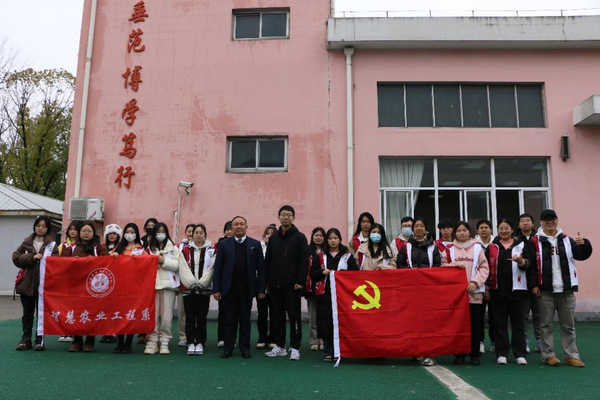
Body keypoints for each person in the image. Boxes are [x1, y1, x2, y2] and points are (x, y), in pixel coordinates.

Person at [527, 209, 592, 367]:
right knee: (546, 325)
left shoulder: (567, 240)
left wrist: (585, 244)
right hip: (545, 290)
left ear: (557, 220)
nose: (550, 222)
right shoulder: (534, 241)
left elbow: (581, 255)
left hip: (566, 290)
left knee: (568, 326)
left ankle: (571, 355)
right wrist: (534, 285)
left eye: (553, 219)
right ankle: (548, 355)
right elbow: (531, 265)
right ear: (541, 222)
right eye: (547, 220)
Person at [213, 216, 266, 358]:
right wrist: (216, 289)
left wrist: (261, 289)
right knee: (229, 320)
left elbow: (261, 269)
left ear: (246, 227)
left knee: (245, 320)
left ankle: (245, 348)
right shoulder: (224, 244)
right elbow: (218, 268)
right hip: (228, 289)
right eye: (236, 224)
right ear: (231, 228)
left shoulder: (255, 244)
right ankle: (228, 348)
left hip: (247, 289)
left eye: (242, 224)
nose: (239, 226)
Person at [441, 221, 489, 366]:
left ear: (469, 232)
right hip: (456, 296)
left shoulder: (478, 248)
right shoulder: (449, 249)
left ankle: (474, 354)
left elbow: (484, 268)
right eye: (459, 230)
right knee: (458, 326)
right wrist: (453, 265)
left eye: (464, 230)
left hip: (474, 293)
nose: (461, 233)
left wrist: (475, 282)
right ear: (455, 233)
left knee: (475, 325)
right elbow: (442, 267)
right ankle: (459, 354)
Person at [265, 205, 309, 361]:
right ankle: (280, 346)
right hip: (275, 286)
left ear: (293, 218)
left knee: (294, 317)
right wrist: (268, 281)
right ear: (278, 217)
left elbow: (304, 261)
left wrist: (300, 280)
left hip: (293, 286)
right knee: (277, 317)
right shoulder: (274, 238)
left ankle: (295, 347)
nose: (286, 217)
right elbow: (268, 260)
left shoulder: (300, 238)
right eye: (283, 214)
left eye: (289, 215)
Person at [395, 217, 440, 366]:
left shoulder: (433, 247)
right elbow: (399, 265)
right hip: (411, 290)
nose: (419, 228)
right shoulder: (406, 247)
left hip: (428, 291)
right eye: (416, 226)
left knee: (428, 323)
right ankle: (414, 351)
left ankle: (428, 353)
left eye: (421, 226)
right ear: (412, 229)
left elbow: (438, 267)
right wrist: (411, 273)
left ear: (426, 229)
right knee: (412, 321)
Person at [310, 228, 359, 361]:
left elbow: (355, 273)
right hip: (325, 294)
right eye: (330, 238)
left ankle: (340, 351)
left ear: (340, 240)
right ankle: (328, 351)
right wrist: (322, 272)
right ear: (327, 240)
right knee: (326, 322)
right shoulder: (321, 256)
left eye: (335, 238)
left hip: (343, 295)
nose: (333, 241)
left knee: (342, 322)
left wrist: (342, 274)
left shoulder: (347, 255)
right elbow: (313, 274)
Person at [486, 219, 529, 365]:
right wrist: (487, 287)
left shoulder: (521, 245)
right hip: (498, 291)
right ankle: (501, 353)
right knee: (499, 323)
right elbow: (486, 268)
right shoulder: (492, 247)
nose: (504, 231)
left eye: (506, 228)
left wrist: (521, 262)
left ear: (512, 230)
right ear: (497, 230)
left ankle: (519, 354)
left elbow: (529, 264)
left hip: (518, 291)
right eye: (501, 228)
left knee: (518, 324)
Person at [62, 222, 109, 352]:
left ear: (93, 233)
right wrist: (73, 261)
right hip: (76, 286)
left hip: (93, 287)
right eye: (83, 230)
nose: (86, 233)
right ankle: (77, 341)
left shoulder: (99, 248)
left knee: (91, 313)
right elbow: (62, 263)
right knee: (76, 313)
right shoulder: (72, 248)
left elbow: (107, 263)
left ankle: (90, 342)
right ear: (79, 232)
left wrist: (94, 261)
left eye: (89, 231)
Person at [13, 216, 58, 351]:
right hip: (27, 284)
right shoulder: (26, 242)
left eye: (44, 226)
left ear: (48, 229)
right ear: (34, 227)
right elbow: (16, 258)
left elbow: (57, 262)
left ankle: (39, 339)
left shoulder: (52, 244)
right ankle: (26, 339)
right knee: (27, 313)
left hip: (44, 285)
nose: (40, 228)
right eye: (38, 225)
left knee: (41, 314)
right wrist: (32, 257)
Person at [144, 223, 181, 355]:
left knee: (166, 316)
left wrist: (162, 261)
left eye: (163, 232)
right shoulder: (148, 249)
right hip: (152, 286)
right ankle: (152, 341)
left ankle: (165, 341)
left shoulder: (174, 249)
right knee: (152, 316)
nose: (161, 234)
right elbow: (143, 265)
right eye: (158, 232)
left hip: (168, 286)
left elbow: (177, 265)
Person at [110, 222, 147, 353]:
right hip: (119, 287)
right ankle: (120, 342)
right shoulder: (118, 249)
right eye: (127, 232)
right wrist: (113, 257)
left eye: (132, 232)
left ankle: (128, 343)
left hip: (134, 288)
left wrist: (139, 260)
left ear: (137, 234)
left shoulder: (140, 250)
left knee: (131, 314)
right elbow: (107, 264)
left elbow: (147, 264)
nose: (129, 235)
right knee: (119, 314)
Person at [179, 224, 215, 355]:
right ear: (192, 235)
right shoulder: (185, 250)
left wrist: (201, 284)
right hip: (188, 290)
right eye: (196, 232)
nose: (199, 235)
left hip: (204, 290)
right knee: (189, 317)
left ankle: (200, 342)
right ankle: (190, 342)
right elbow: (183, 268)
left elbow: (211, 269)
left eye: (201, 232)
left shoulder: (211, 251)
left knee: (201, 317)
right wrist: (191, 284)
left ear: (205, 234)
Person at [517, 213, 541, 354]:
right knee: (523, 315)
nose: (525, 223)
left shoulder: (539, 238)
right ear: (519, 225)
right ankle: (524, 341)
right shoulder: (515, 240)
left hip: (538, 282)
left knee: (539, 314)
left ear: (533, 224)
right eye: (522, 221)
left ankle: (540, 341)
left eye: (528, 221)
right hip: (521, 283)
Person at [57, 221, 81, 343]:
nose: (72, 231)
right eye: (70, 229)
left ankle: (73, 332)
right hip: (65, 281)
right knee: (64, 306)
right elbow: (56, 261)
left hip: (78, 281)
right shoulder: (62, 246)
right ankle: (64, 331)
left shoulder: (82, 246)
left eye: (75, 229)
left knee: (75, 307)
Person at [98, 223, 121, 345]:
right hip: (103, 281)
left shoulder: (121, 248)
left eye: (114, 234)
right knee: (104, 308)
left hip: (117, 281)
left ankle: (114, 332)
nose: (112, 236)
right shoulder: (101, 248)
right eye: (110, 234)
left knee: (115, 308)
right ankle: (105, 332)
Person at [475, 219, 495, 354]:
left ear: (491, 230)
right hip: (478, 285)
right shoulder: (474, 245)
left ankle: (495, 341)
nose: (484, 230)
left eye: (486, 227)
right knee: (479, 316)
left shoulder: (496, 244)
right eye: (481, 227)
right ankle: (480, 341)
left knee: (495, 316)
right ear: (477, 230)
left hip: (495, 285)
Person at [257, 224, 277, 349]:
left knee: (275, 313)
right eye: (267, 234)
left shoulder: (279, 247)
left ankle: (273, 338)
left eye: (272, 234)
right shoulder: (258, 248)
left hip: (275, 286)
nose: (269, 236)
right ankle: (262, 338)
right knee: (262, 314)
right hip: (261, 286)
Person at [306, 227, 326, 351]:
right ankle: (314, 340)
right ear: (312, 237)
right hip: (311, 288)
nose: (318, 238)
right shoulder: (307, 250)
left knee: (323, 316)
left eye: (321, 235)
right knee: (312, 316)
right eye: (316, 235)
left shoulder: (328, 251)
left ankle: (323, 340)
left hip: (325, 287)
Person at [176, 223, 195, 347]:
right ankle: (183, 336)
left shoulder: (204, 247)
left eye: (194, 231)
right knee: (182, 312)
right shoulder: (179, 247)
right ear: (185, 233)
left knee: (195, 312)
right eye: (189, 231)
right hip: (182, 285)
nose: (191, 234)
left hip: (198, 285)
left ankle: (195, 336)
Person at [215, 220, 233, 348]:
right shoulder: (219, 245)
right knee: (222, 313)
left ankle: (232, 338)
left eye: (231, 229)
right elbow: (217, 267)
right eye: (227, 229)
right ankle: (221, 338)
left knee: (234, 315)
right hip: (223, 285)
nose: (229, 231)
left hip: (236, 284)